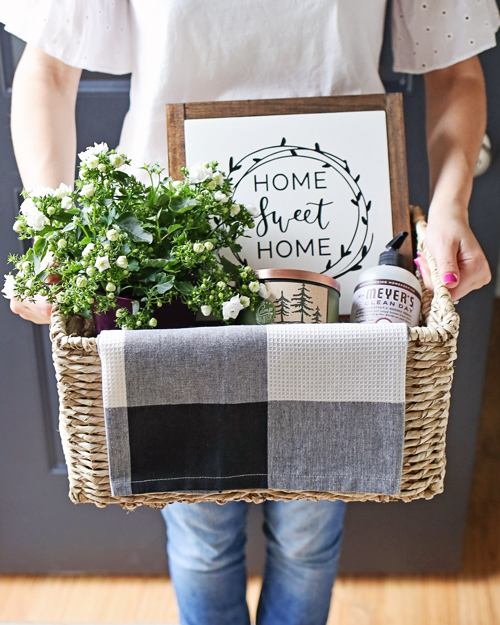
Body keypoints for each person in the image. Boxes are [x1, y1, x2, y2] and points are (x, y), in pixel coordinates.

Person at [1, 2, 497, 624]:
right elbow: (46, 69)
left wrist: (451, 206)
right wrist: (59, 230)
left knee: (310, 535)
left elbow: (455, 70)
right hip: (166, 266)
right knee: (200, 537)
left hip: (342, 271)